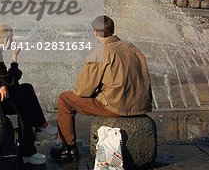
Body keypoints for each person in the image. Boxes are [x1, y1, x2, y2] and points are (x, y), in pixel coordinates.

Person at [50, 15, 152, 160]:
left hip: (116, 106)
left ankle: (68, 148)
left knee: (65, 99)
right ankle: (67, 147)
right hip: (141, 104)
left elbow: (83, 90)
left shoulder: (100, 53)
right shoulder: (131, 47)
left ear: (96, 32)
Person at [0, 23, 57, 165]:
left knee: (26, 90)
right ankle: (30, 147)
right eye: (11, 38)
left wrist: (2, 84)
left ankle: (39, 129)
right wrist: (14, 58)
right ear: (5, 39)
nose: (13, 41)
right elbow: (11, 80)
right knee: (24, 102)